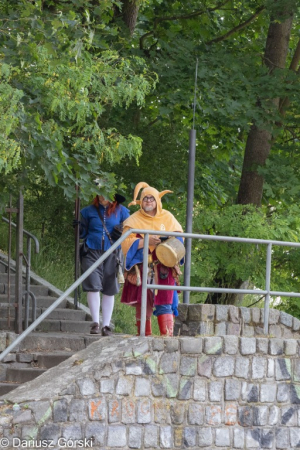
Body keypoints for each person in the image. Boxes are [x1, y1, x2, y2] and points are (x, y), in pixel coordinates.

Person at [121, 182, 183, 336]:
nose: (148, 201)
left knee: (165, 301)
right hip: (142, 266)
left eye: (152, 198)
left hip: (164, 267)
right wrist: (146, 242)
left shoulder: (168, 217)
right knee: (143, 303)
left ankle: (167, 339)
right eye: (145, 198)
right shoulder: (134, 220)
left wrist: (165, 241)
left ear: (157, 201)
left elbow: (179, 239)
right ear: (141, 201)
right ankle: (144, 337)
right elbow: (126, 243)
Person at [76, 191, 130, 335]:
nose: (102, 197)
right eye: (100, 194)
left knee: (109, 287)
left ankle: (106, 325)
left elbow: (130, 231)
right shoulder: (88, 211)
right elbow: (83, 233)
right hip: (91, 251)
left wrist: (121, 233)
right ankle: (95, 323)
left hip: (113, 252)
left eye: (106, 194)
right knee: (93, 285)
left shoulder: (122, 212)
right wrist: (78, 228)